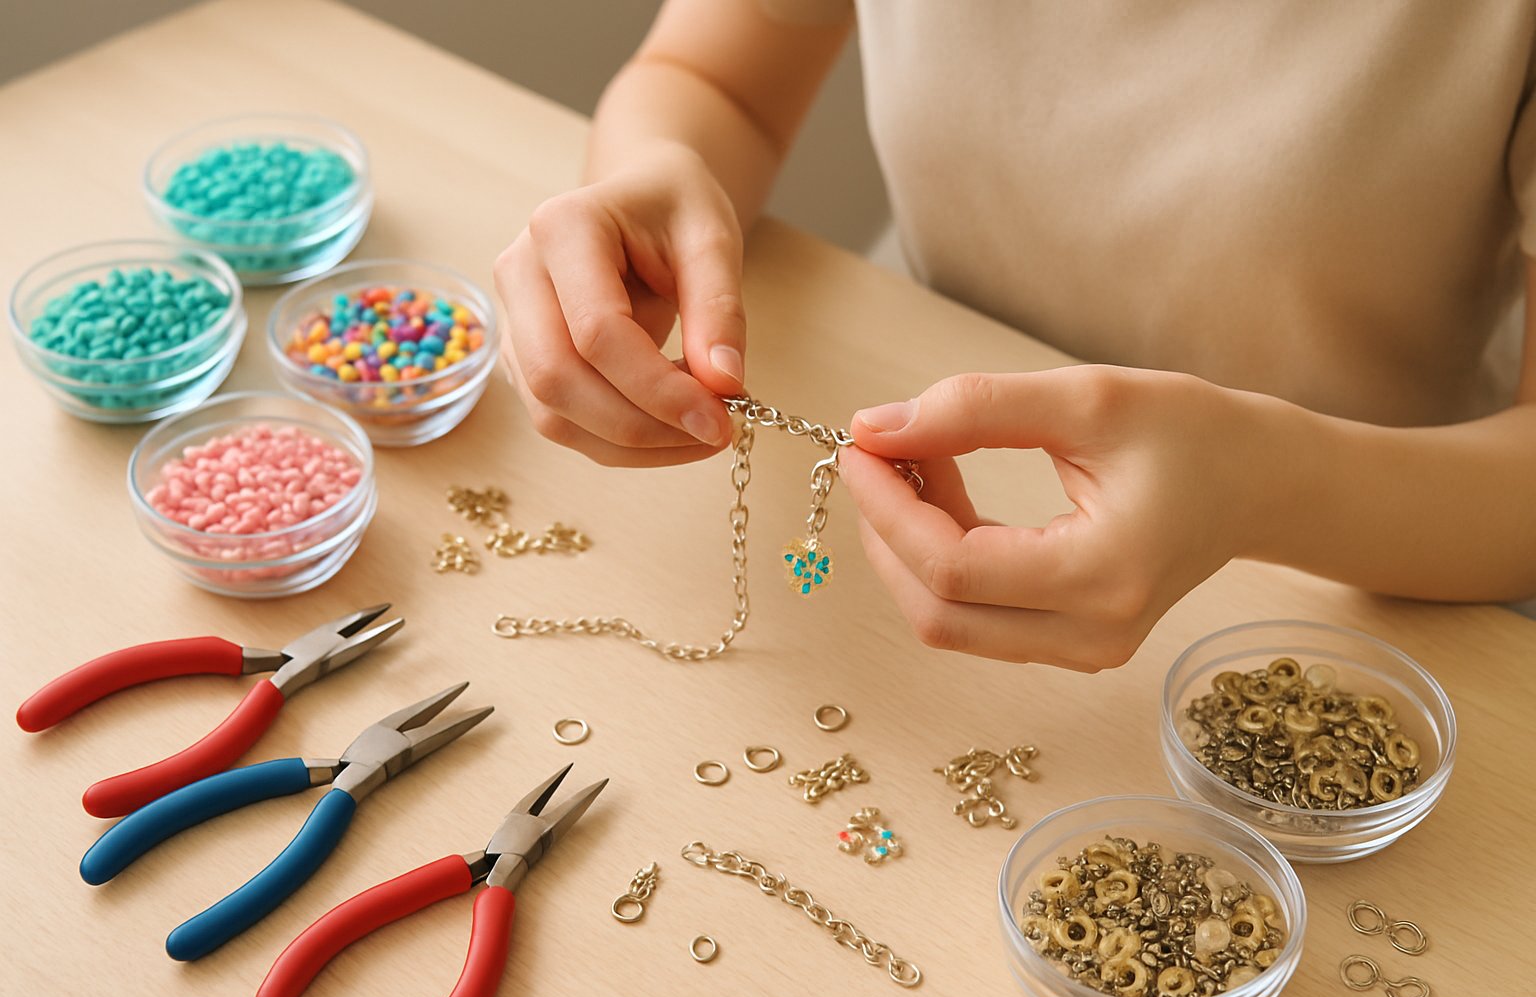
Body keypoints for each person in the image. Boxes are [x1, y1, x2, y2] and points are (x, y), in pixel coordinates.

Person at [495, 0, 1536, 670]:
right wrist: (645, 178)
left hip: (1383, 559)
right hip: (910, 431)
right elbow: (715, 77)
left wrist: (1266, 488)